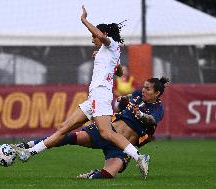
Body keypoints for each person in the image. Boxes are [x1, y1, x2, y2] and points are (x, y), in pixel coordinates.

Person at [12, 5, 149, 179]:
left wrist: (84, 20)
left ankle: (140, 157)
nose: (93, 39)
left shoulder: (111, 44)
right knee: (63, 128)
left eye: (94, 36)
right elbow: (120, 72)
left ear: (104, 35)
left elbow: (101, 37)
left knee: (106, 133)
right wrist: (106, 62)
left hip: (101, 96)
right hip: (93, 98)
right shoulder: (108, 52)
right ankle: (30, 152)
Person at [13, 77, 169, 179]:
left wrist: (140, 115)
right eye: (144, 87)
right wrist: (122, 99)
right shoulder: (137, 95)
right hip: (108, 131)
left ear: (157, 93)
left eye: (148, 89)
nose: (143, 90)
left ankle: (91, 175)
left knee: (109, 174)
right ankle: (27, 145)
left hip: (121, 146)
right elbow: (124, 99)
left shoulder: (158, 109)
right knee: (71, 137)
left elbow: (151, 120)